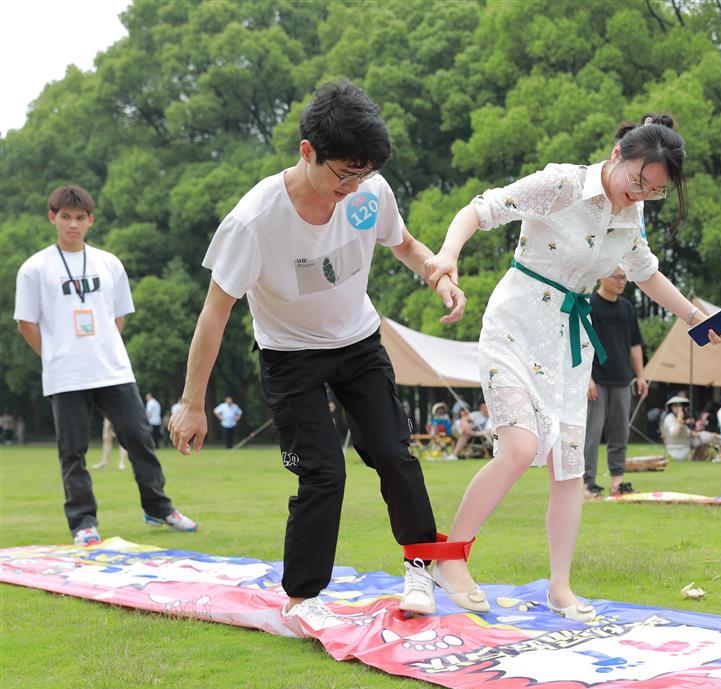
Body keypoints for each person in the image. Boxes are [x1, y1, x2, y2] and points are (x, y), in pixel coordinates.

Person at [167, 81, 466, 632]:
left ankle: (423, 566)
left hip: (358, 343)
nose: (352, 188)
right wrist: (191, 402)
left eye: (363, 175)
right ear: (308, 151)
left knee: (392, 453)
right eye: (342, 175)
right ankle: (302, 597)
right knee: (323, 473)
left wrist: (435, 272)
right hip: (291, 358)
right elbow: (215, 313)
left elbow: (403, 243)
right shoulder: (253, 221)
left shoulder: (370, 193)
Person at [424, 113, 721, 622]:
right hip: (516, 325)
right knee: (521, 446)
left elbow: (648, 274)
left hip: (569, 346)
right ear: (617, 156)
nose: (640, 196)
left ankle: (560, 587)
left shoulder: (630, 218)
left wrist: (699, 319)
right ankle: (451, 557)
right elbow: (480, 209)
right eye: (637, 181)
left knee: (570, 470)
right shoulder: (562, 184)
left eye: (653, 192)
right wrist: (448, 254)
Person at [14, 185, 198, 546]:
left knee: (140, 439)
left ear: (90, 221)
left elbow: (118, 316)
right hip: (65, 375)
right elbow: (25, 323)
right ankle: (83, 522)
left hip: (112, 369)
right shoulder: (34, 268)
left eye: (79, 218)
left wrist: (101, 347)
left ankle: (158, 507)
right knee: (73, 451)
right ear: (52, 217)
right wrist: (53, 355)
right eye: (65, 217)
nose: (72, 225)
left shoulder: (108, 262)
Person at [583, 267, 649, 498]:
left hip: (622, 379)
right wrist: (586, 378)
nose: (622, 282)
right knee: (592, 433)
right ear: (602, 275)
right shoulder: (589, 304)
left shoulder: (627, 308)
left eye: (625, 278)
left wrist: (641, 375)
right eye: (617, 277)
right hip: (596, 381)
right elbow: (579, 342)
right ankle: (587, 484)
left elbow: (635, 343)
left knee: (620, 433)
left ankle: (617, 482)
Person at [660, 395, 716, 460]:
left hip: (685, 440)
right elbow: (675, 433)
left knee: (708, 435)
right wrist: (680, 419)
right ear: (671, 407)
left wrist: (684, 421)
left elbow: (687, 432)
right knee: (708, 437)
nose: (679, 408)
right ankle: (700, 456)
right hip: (682, 444)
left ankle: (698, 457)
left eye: (680, 406)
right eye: (676, 406)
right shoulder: (670, 418)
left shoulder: (676, 418)